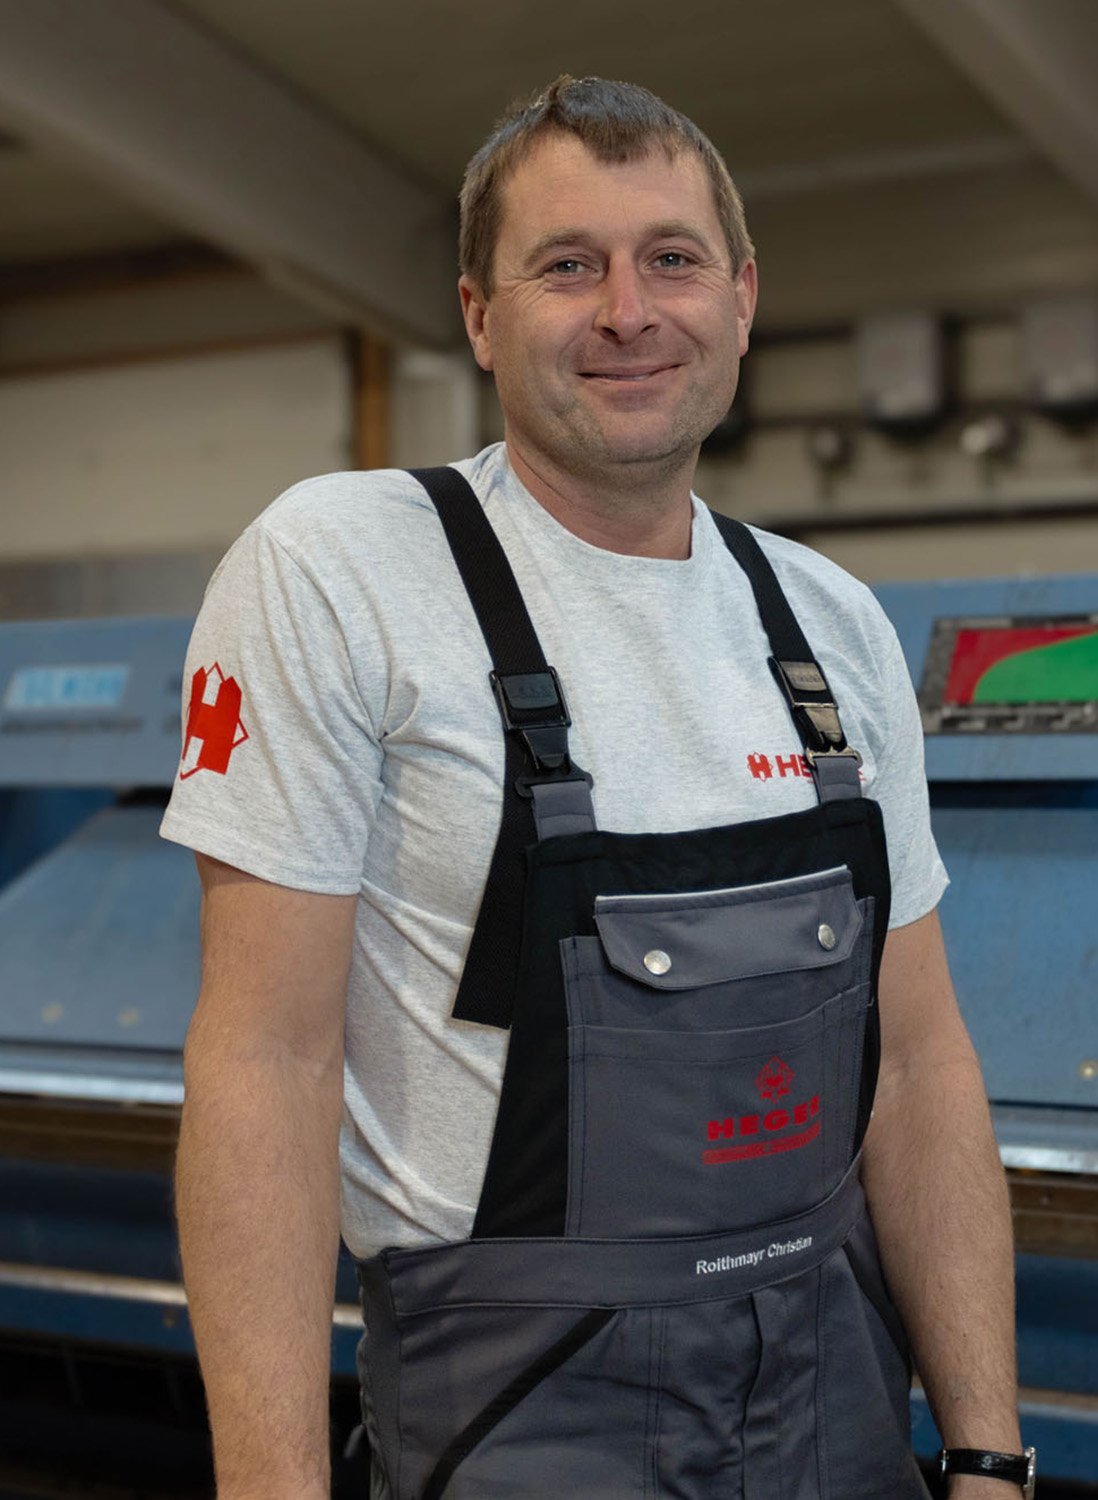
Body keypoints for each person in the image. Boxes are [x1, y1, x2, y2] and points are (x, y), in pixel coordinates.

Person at [162, 76, 1030, 1500]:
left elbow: (922, 1068)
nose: (631, 311)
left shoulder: (830, 622)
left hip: (836, 1385)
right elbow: (266, 1064)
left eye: (672, 259)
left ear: (742, 297)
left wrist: (987, 1448)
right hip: (523, 1400)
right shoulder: (346, 567)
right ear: (478, 312)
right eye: (569, 266)